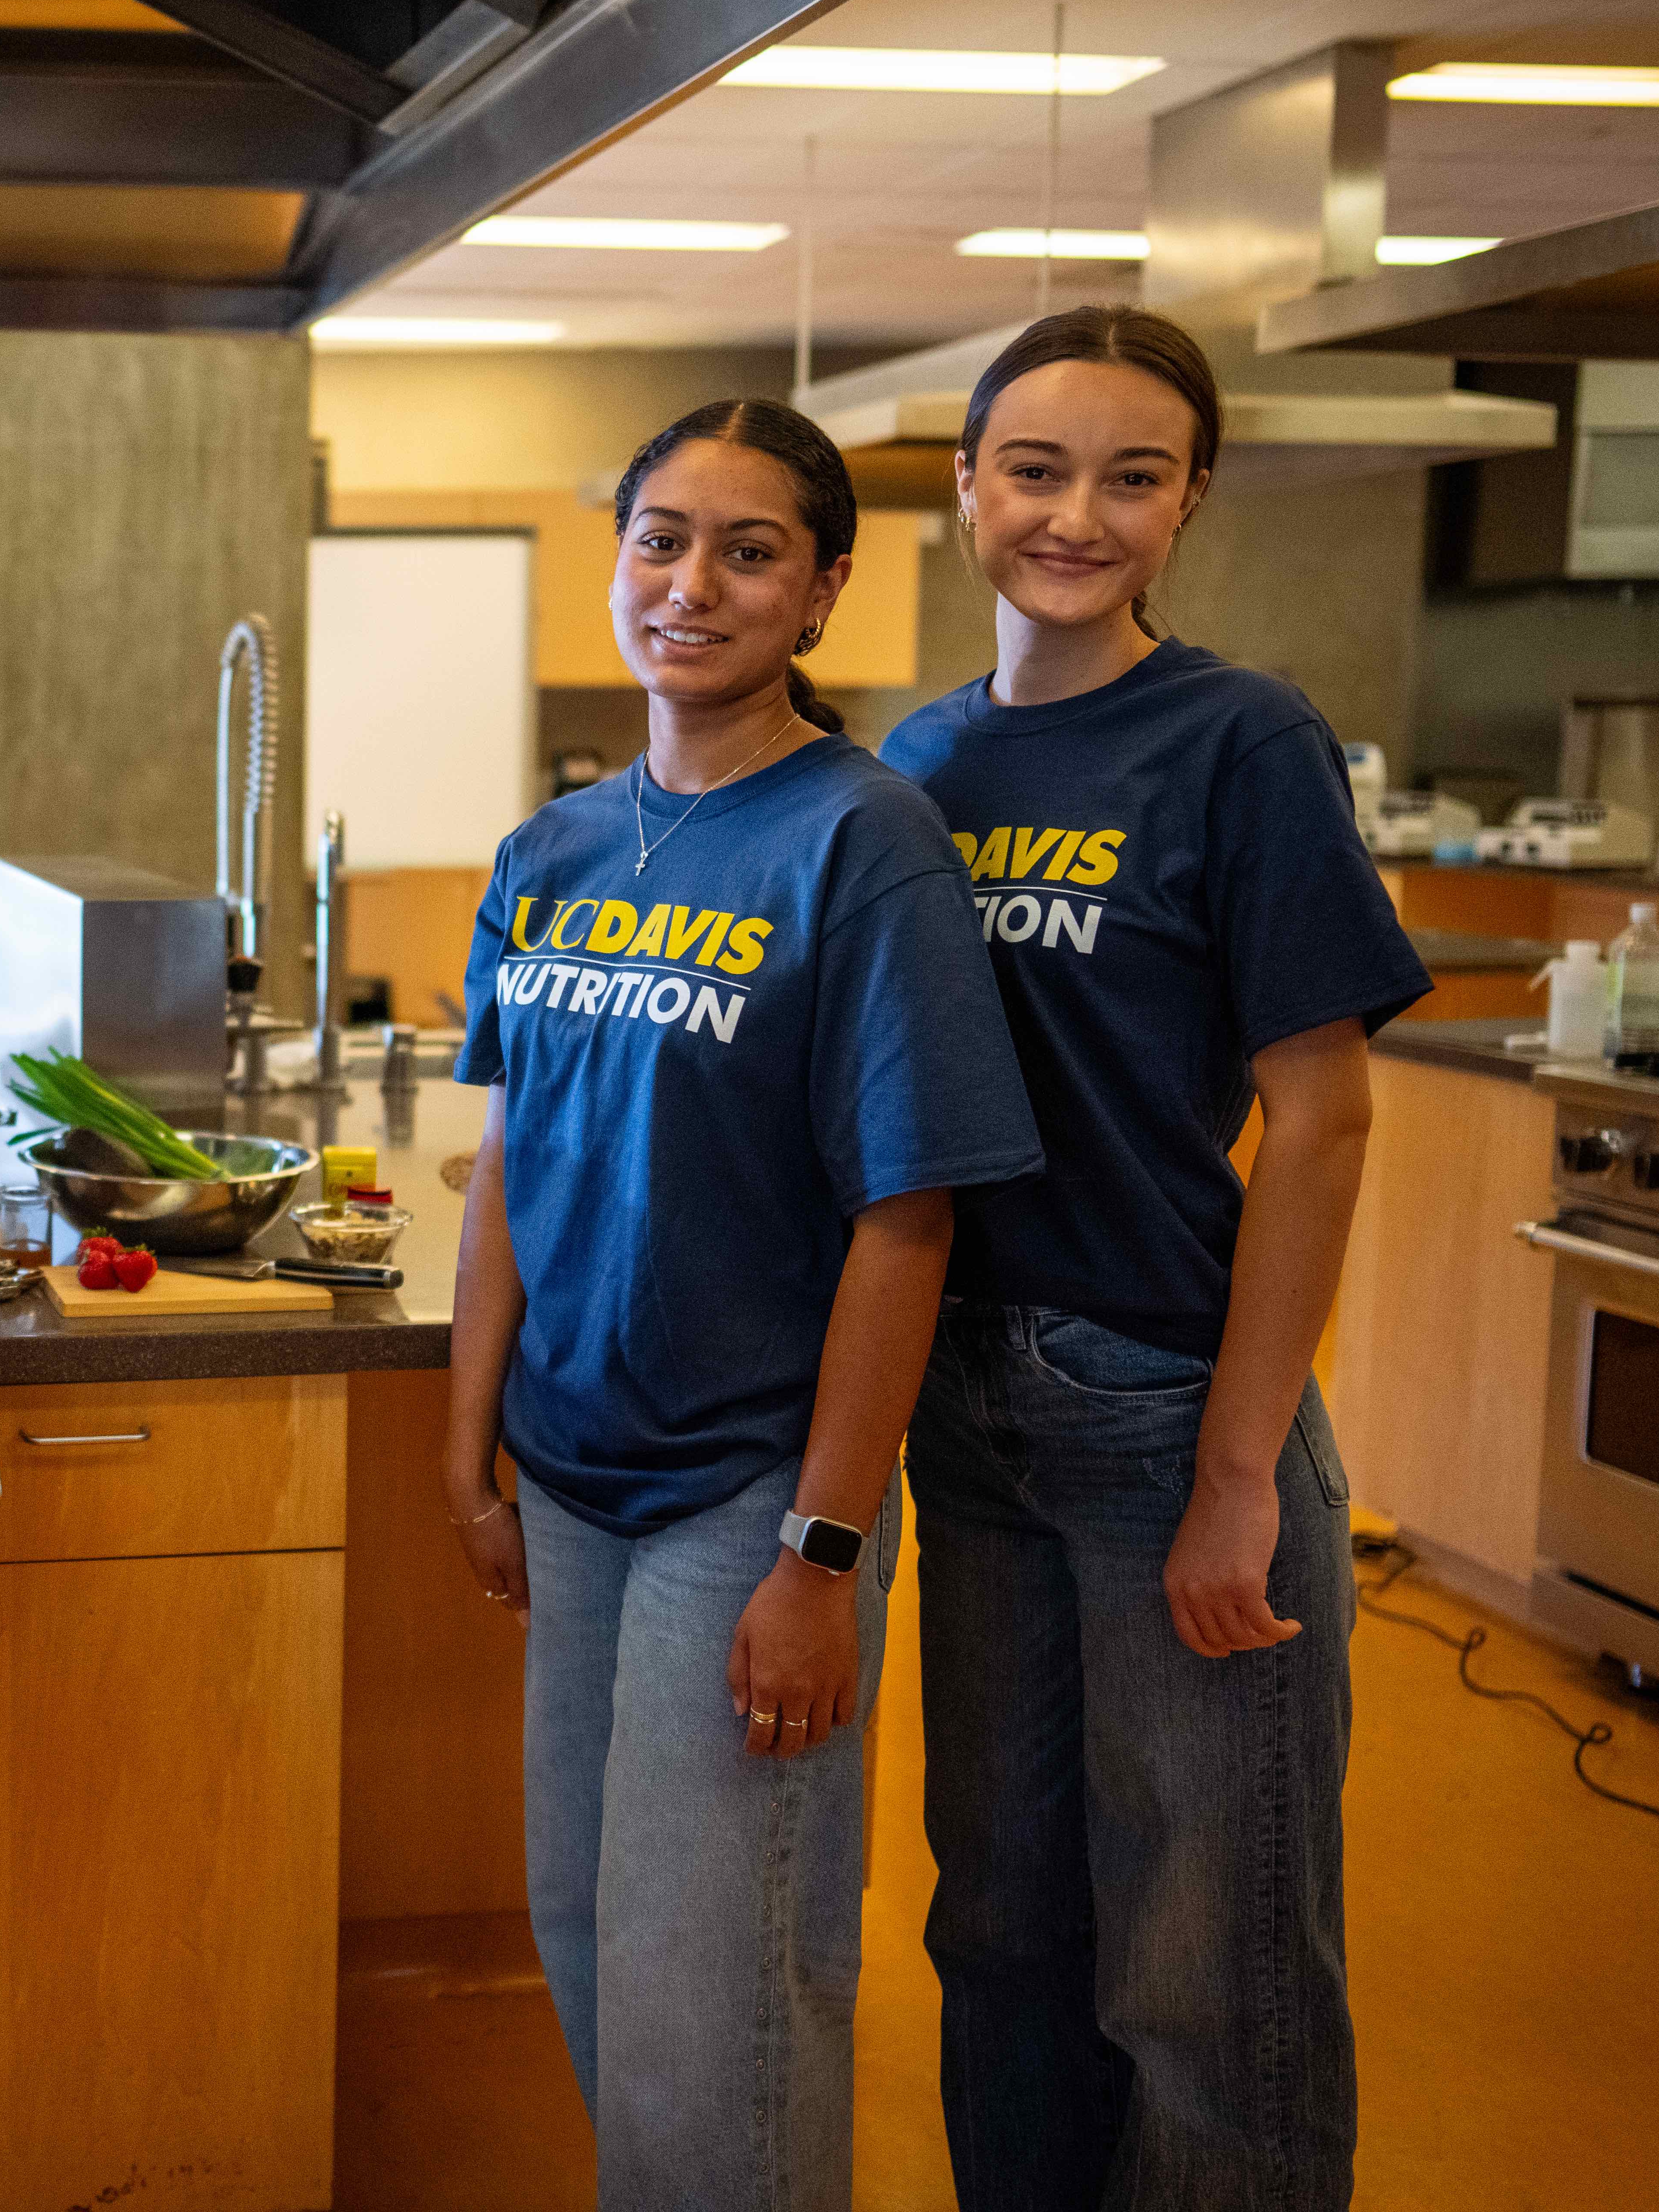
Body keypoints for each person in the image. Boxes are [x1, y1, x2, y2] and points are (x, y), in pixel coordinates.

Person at [445, 400, 1041, 2210]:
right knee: (587, 1934)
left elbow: (908, 1223)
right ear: (615, 558)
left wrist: (824, 1551)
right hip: (567, 1476)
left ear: (825, 590)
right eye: (661, 539)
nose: (691, 583)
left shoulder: (862, 846)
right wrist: (469, 1455)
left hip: (740, 1497)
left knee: (721, 1995)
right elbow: (507, 1179)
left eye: (750, 549)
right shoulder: (554, 849)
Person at [885, 306, 1422, 2212]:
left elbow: (1326, 1115)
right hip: (968, 1418)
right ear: (965, 489)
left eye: (1133, 476)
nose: (1077, 516)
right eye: (1036, 469)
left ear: (1192, 498)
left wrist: (1237, 1478)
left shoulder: (1238, 740)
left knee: (1211, 1974)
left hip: (1165, 1403)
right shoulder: (918, 764)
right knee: (1007, 1933)